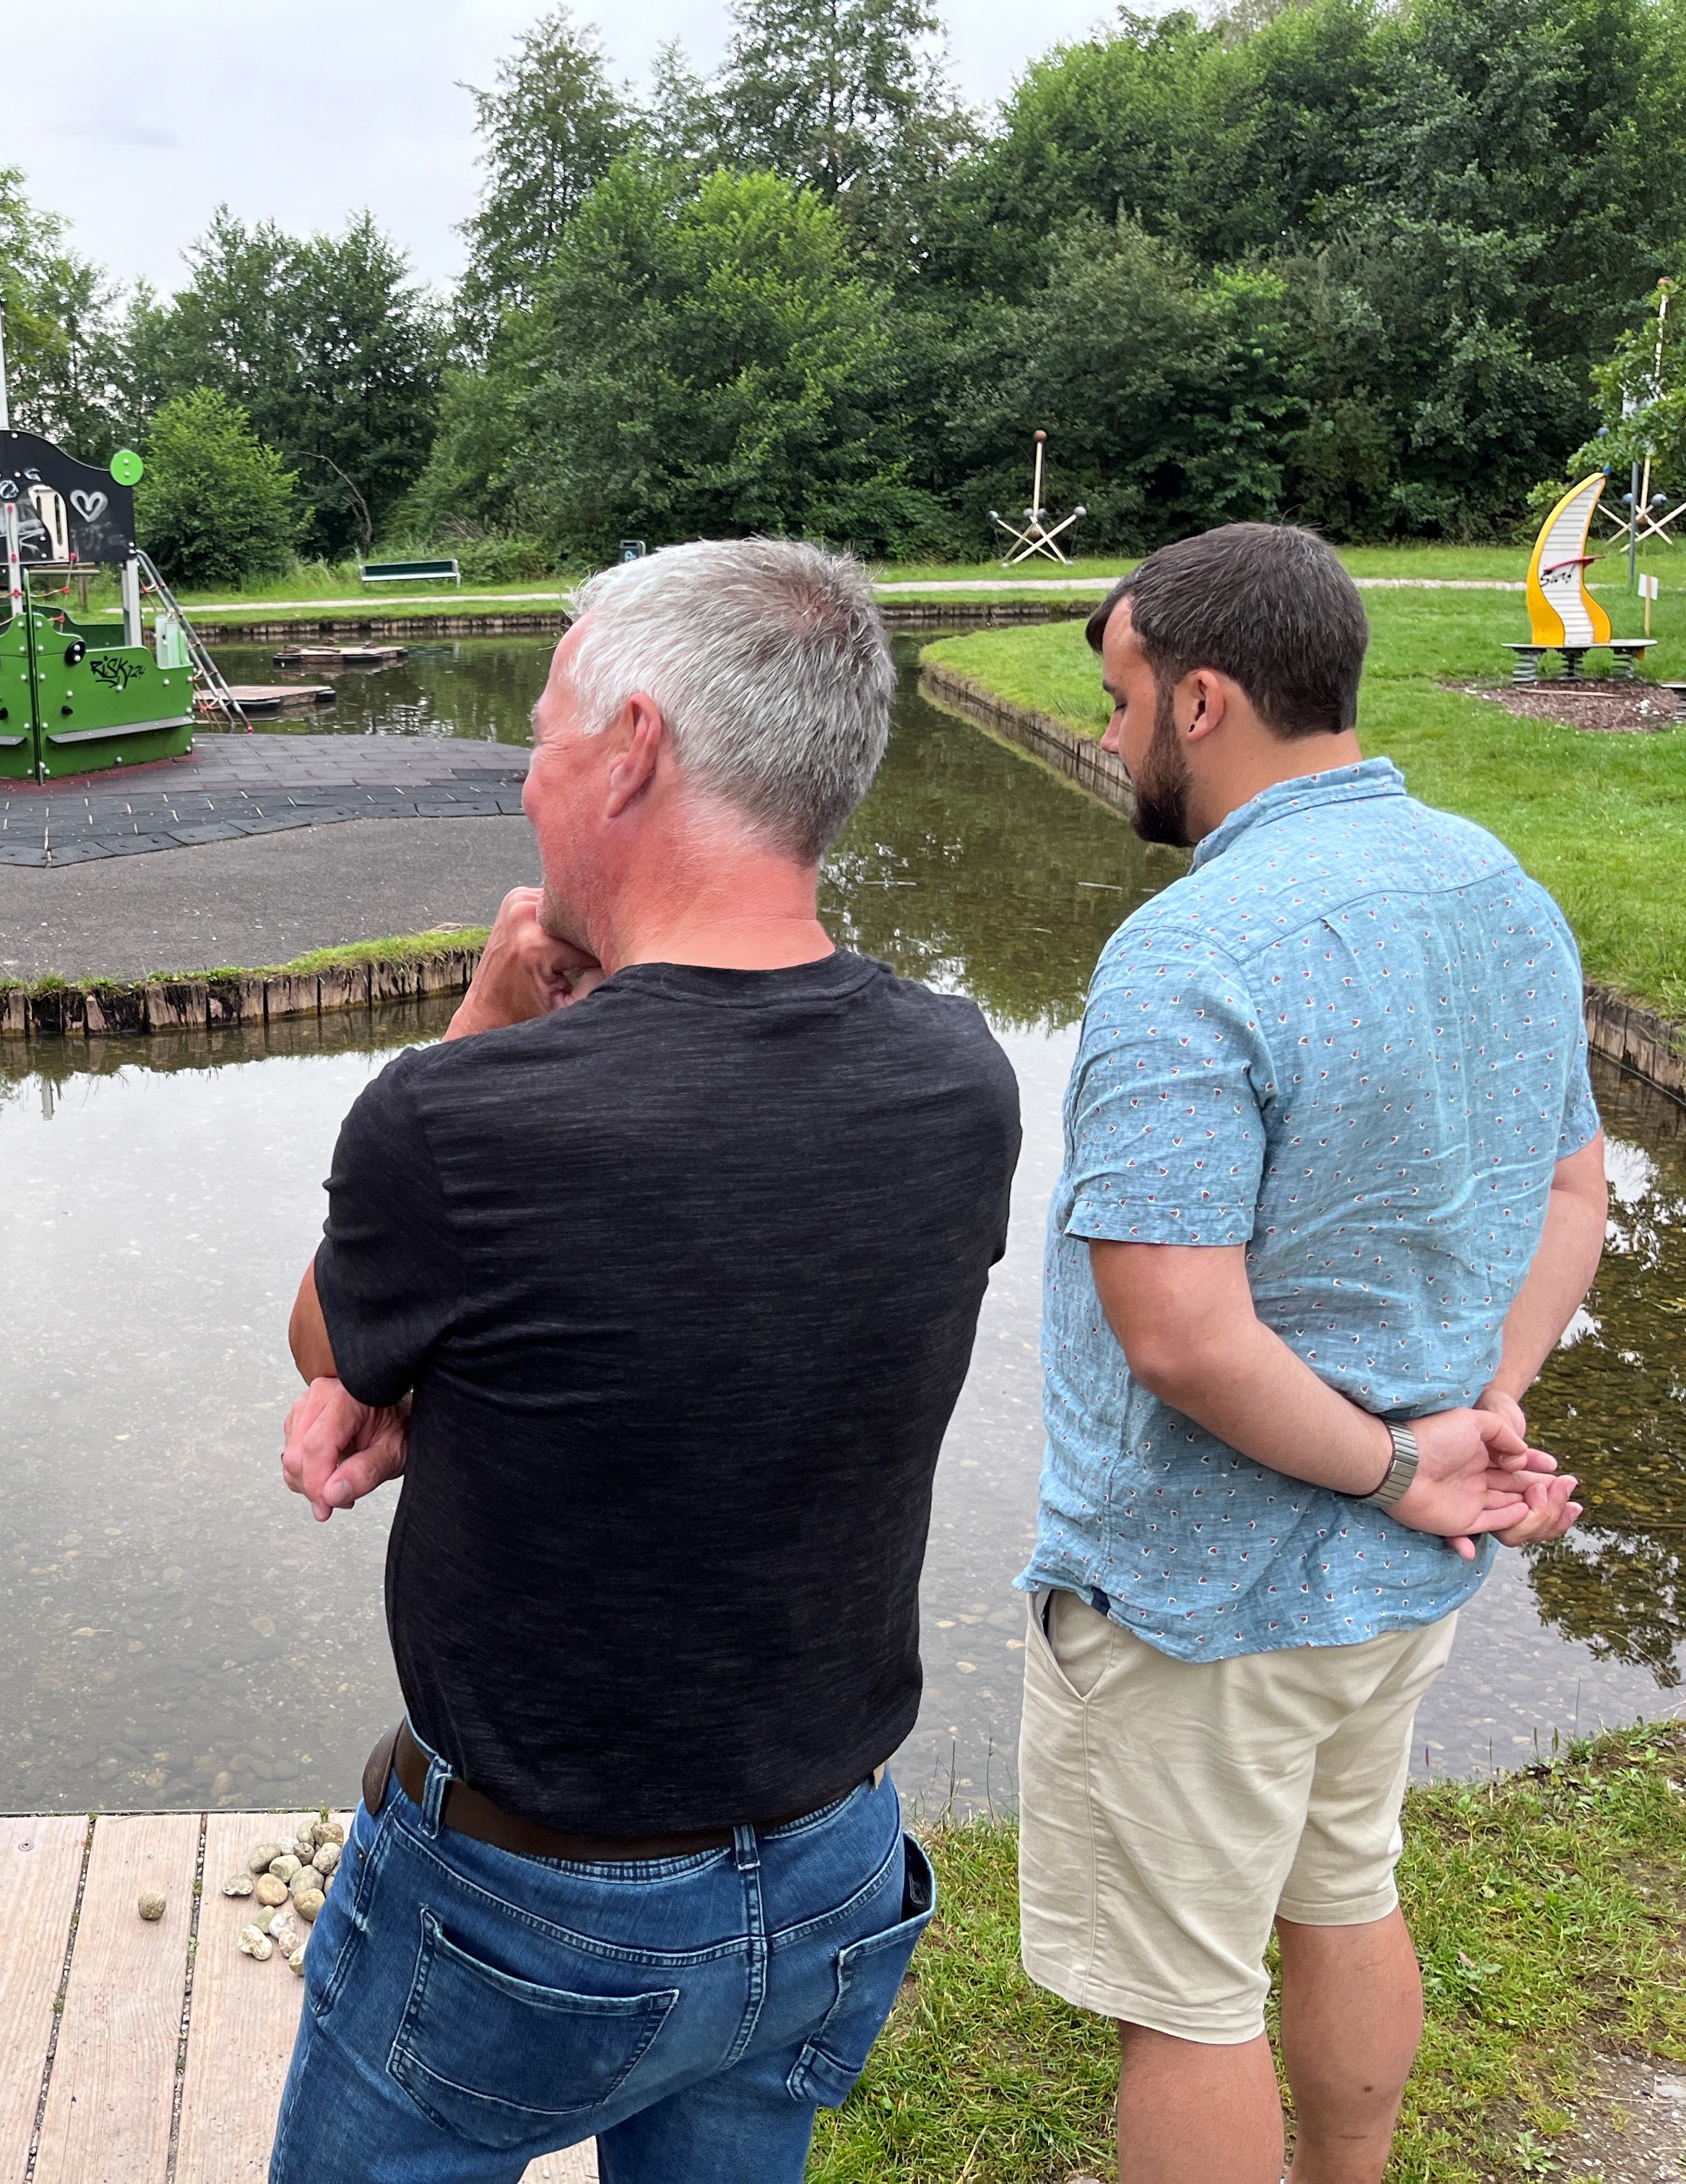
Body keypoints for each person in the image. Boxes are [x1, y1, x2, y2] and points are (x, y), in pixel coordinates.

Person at [265, 540, 1023, 2182]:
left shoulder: (461, 1126)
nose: (529, 785)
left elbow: (333, 1337)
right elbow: (729, 1318)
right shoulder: (960, 1077)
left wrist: (487, 1021)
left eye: (542, 736)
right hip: (828, 1863)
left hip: (526, 1908)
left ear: (633, 744)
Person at [1017, 524, 1599, 2184]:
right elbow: (1573, 1185)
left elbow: (1182, 1336)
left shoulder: (1191, 952)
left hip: (1201, 1594)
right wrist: (1486, 1406)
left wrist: (1413, 1464)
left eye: (1123, 699)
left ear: (1203, 700)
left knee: (1188, 1998)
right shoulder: (1502, 884)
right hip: (1397, 1574)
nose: (1114, 737)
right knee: (1348, 1883)